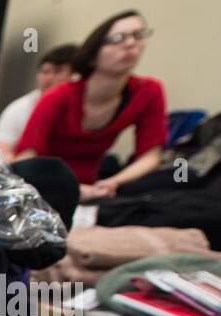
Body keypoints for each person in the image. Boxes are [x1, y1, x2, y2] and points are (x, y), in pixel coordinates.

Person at [16, 10, 166, 201]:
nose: (130, 44)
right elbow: (26, 159)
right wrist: (76, 191)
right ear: (93, 55)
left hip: (96, 187)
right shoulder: (58, 96)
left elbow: (151, 156)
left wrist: (113, 182)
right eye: (117, 38)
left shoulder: (149, 91)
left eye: (138, 35)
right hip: (45, 188)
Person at [0, 44, 77, 162]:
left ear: (75, 76)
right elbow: (1, 152)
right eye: (45, 72)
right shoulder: (18, 108)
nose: (49, 78)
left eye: (58, 71)